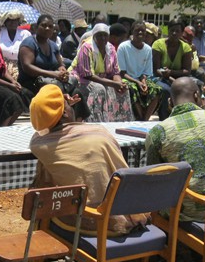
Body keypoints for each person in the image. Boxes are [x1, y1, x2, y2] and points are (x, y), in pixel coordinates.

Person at [29, 84, 148, 236]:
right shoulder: (99, 132)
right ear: (65, 113)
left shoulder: (41, 145)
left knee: (45, 175)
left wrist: (57, 110)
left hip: (81, 219)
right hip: (121, 216)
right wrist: (65, 107)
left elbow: (38, 134)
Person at [146, 77, 205, 225]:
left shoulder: (158, 132)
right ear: (197, 96)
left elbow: (154, 181)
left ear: (170, 103)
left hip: (184, 214)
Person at [70, 23, 133, 122]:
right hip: (81, 79)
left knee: (124, 89)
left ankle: (118, 122)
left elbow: (115, 72)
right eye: (99, 35)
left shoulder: (111, 49)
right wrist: (113, 83)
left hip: (102, 79)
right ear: (94, 36)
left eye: (105, 35)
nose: (102, 38)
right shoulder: (86, 48)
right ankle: (94, 121)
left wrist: (119, 83)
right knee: (99, 89)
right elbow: (88, 75)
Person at [117, 21, 162, 120]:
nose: (140, 33)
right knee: (132, 89)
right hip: (127, 78)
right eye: (137, 30)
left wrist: (143, 82)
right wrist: (137, 82)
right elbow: (122, 73)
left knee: (157, 90)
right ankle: (140, 117)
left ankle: (145, 118)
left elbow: (145, 72)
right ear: (132, 32)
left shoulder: (148, 49)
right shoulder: (123, 47)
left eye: (143, 30)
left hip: (140, 79)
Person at [152, 18, 194, 120]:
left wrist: (171, 73)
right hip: (159, 78)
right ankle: (164, 118)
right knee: (166, 90)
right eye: (172, 30)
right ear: (168, 31)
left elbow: (187, 71)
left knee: (195, 86)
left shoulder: (186, 48)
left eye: (177, 31)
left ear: (181, 33)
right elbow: (155, 69)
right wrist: (166, 75)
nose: (174, 33)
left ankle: (187, 116)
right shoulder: (158, 45)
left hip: (179, 77)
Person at [0, 10, 31, 80]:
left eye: (15, 20)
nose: (12, 23)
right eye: (9, 20)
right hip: (2, 65)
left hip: (21, 65)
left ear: (18, 22)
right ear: (5, 22)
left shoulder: (25, 34)